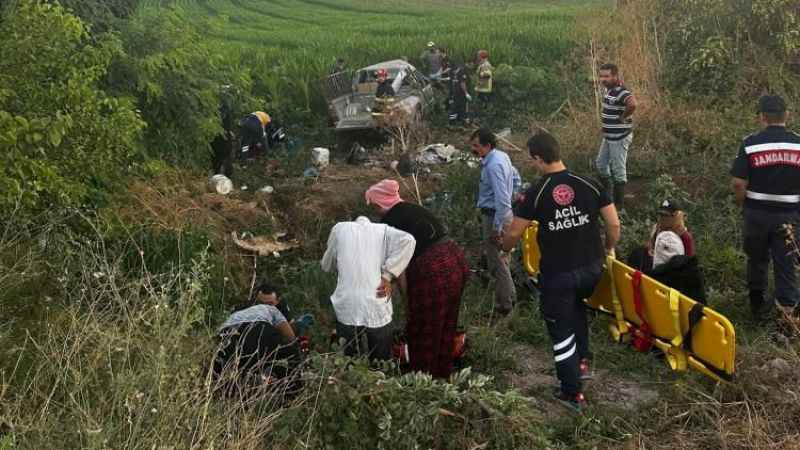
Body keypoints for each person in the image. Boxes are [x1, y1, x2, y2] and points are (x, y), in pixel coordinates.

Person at [501, 131, 620, 412]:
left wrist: (504, 247)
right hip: (592, 269)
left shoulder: (537, 192)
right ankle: (582, 362)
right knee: (577, 309)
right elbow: (613, 225)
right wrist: (608, 247)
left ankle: (572, 392)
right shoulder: (588, 183)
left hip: (559, 275)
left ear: (538, 158)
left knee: (560, 329)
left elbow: (515, 232)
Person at [365, 180, 470, 379]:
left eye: (373, 205)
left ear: (379, 204)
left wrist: (407, 301)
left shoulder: (391, 221)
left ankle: (423, 382)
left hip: (433, 269)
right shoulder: (411, 209)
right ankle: (442, 376)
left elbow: (399, 267)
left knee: (423, 329)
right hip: (455, 260)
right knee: (446, 324)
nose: (375, 210)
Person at [730, 95, 800, 320]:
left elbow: (738, 183)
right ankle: (787, 317)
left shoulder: (750, 143)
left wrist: (744, 205)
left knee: (757, 259)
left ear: (762, 117)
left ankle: (757, 307)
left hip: (757, 214)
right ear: (786, 115)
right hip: (789, 215)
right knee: (786, 263)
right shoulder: (798, 144)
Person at [321, 216, 416, 361]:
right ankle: (379, 380)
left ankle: (350, 381)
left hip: (347, 305)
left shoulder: (339, 228)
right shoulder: (383, 230)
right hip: (376, 303)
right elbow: (409, 240)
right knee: (381, 360)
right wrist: (388, 275)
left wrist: (342, 266)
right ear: (370, 222)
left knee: (348, 360)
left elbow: (326, 265)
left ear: (352, 222)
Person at [212, 282, 314, 393]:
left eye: (270, 303)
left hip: (225, 334)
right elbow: (290, 337)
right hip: (257, 330)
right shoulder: (272, 309)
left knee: (237, 367)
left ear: (278, 300)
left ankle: (220, 392)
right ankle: (294, 392)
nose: (266, 305)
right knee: (292, 349)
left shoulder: (240, 310)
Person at [471, 128, 518, 316]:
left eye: (476, 146)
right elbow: (516, 176)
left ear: (487, 146)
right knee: (503, 259)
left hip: (495, 216)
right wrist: (516, 194)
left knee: (496, 262)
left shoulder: (493, 165)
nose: (473, 150)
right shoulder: (501, 156)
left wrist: (498, 228)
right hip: (502, 214)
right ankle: (509, 297)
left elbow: (501, 199)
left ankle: (506, 306)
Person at [596, 63, 637, 210]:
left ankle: (619, 206)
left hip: (619, 137)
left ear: (615, 76)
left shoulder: (621, 91)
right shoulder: (609, 90)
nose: (603, 79)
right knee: (601, 164)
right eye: (601, 76)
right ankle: (608, 196)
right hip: (609, 137)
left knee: (618, 170)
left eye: (607, 76)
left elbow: (632, 104)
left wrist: (623, 117)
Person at [627, 199, 695, 271]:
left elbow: (689, 264)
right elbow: (650, 249)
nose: (662, 218)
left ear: (676, 216)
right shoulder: (657, 229)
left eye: (666, 215)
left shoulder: (685, 237)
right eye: (661, 215)